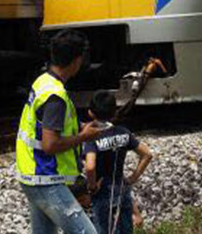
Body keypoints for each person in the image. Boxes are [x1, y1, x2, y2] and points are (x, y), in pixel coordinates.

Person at [16, 30, 102, 234]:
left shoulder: (43, 81)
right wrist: (84, 136)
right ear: (77, 60)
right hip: (46, 179)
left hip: (31, 176)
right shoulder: (55, 95)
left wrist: (79, 127)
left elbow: (46, 124)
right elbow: (50, 145)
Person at [84, 91, 153, 234]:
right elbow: (147, 154)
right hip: (122, 189)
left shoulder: (92, 137)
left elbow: (90, 167)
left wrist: (92, 187)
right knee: (126, 229)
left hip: (102, 192)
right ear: (114, 112)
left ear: (90, 113)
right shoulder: (123, 132)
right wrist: (133, 177)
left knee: (103, 229)